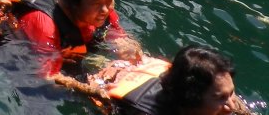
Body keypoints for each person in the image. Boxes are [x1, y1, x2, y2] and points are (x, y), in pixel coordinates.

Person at [0, 0, 139, 82]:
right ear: (74, 1)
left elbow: (117, 35)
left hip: (70, 44)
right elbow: (47, 77)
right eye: (96, 3)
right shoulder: (45, 25)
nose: (105, 10)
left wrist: (129, 51)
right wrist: (92, 88)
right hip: (16, 51)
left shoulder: (104, 8)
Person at [91, 44, 249, 115]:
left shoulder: (224, 97)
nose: (231, 105)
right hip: (105, 79)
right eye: (220, 98)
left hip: (140, 68)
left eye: (231, 92)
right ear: (192, 99)